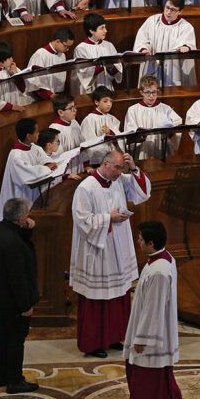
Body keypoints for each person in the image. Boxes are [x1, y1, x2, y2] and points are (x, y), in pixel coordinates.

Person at [70, 150, 151, 357]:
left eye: (121, 168)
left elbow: (142, 193)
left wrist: (133, 167)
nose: (119, 172)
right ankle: (93, 343)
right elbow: (82, 221)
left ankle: (114, 336)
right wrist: (109, 218)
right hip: (97, 251)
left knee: (118, 294)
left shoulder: (118, 180)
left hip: (118, 247)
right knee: (96, 298)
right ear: (104, 164)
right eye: (117, 168)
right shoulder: (85, 188)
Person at [124, 220, 183, 399]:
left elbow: (154, 309)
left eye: (140, 239)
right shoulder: (161, 260)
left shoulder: (159, 270)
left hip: (152, 337)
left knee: (147, 380)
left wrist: (142, 340)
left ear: (150, 243)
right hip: (153, 330)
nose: (137, 241)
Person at [0, 197, 40, 394]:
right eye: (26, 213)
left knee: (3, 335)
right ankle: (15, 381)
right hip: (14, 300)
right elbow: (18, 278)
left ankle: (1, 374)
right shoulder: (12, 243)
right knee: (16, 339)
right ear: (19, 218)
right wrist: (25, 305)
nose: (29, 216)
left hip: (0, 296)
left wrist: (28, 229)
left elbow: (20, 239)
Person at [132, 0, 197, 87]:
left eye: (173, 10)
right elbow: (142, 40)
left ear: (180, 11)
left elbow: (189, 44)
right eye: (167, 7)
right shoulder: (152, 21)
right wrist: (144, 49)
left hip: (174, 71)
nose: (168, 12)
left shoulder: (186, 27)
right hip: (152, 66)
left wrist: (185, 47)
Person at [0, 118, 57, 217]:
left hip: (32, 193)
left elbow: (42, 157)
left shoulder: (32, 146)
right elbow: (28, 174)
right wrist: (47, 168)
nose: (39, 134)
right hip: (21, 195)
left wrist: (47, 163)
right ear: (28, 136)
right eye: (37, 132)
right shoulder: (16, 156)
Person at [124, 76, 183, 160]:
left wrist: (171, 129)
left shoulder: (166, 109)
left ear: (158, 91)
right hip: (143, 149)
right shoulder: (133, 110)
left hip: (163, 148)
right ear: (141, 92)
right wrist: (141, 135)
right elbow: (129, 132)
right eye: (147, 92)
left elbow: (177, 126)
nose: (151, 96)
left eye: (154, 92)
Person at [73, 13, 123, 95]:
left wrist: (110, 67)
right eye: (102, 28)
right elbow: (83, 72)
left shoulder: (109, 45)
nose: (105, 31)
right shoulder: (81, 49)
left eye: (105, 27)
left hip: (106, 86)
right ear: (91, 30)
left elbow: (117, 70)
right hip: (90, 90)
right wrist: (102, 65)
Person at [26, 27, 76, 99]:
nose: (68, 50)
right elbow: (33, 81)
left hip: (56, 97)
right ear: (58, 41)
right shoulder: (40, 54)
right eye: (66, 46)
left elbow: (60, 80)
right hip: (42, 97)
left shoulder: (62, 55)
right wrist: (50, 95)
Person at [81, 85, 124, 167]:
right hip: (99, 161)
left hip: (113, 159)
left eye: (111, 101)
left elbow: (119, 138)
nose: (109, 104)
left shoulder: (111, 118)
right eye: (105, 101)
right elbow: (89, 143)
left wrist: (110, 132)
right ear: (96, 102)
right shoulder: (89, 120)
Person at [49, 93, 85, 174]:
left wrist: (87, 165)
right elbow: (56, 157)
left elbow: (82, 144)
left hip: (79, 167)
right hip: (66, 173)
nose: (75, 110)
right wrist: (65, 175)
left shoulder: (74, 122)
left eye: (75, 106)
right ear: (61, 112)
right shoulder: (55, 129)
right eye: (71, 108)